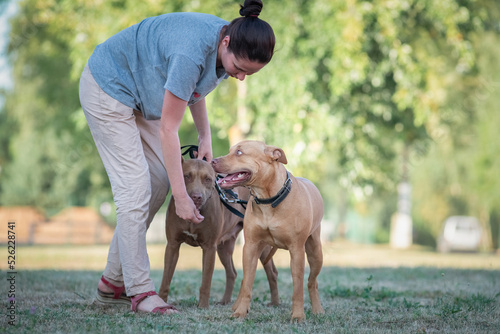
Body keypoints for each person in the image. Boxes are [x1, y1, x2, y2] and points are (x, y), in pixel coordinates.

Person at [78, 0, 275, 314]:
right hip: (108, 87)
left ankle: (111, 284)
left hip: (142, 98)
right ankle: (140, 292)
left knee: (157, 182)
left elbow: (191, 89)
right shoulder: (191, 51)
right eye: (239, 69)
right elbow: (168, 129)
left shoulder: (225, 45)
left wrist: (205, 135)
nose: (239, 78)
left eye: (248, 74)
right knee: (135, 190)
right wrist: (181, 196)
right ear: (226, 43)